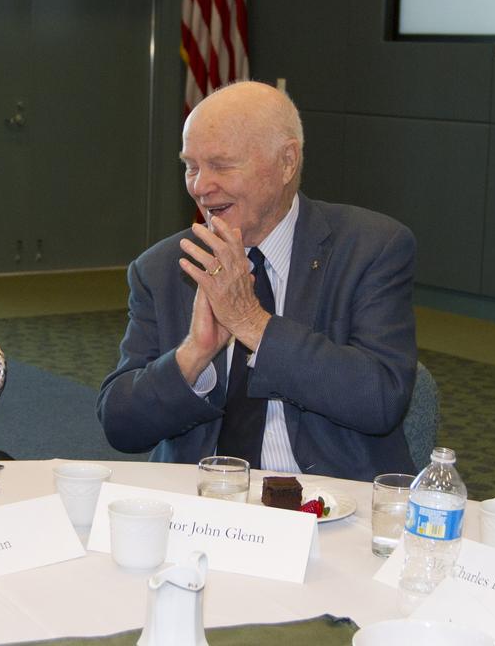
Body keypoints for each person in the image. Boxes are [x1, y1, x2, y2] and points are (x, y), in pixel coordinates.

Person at [98, 81, 417, 481]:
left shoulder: (370, 248)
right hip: (203, 510)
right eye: (191, 166)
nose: (200, 186)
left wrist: (252, 323)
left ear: (287, 162)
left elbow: (380, 398)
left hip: (330, 507)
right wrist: (192, 356)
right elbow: (121, 426)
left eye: (222, 165)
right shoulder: (166, 268)